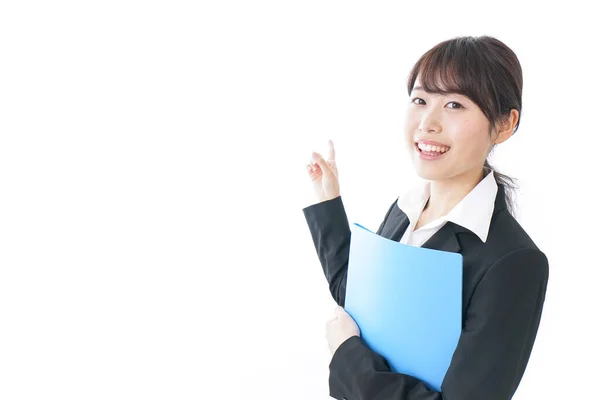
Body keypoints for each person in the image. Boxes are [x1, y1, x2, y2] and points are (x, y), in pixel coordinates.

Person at [302, 35, 549, 400]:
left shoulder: (513, 261)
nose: (428, 123)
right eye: (420, 100)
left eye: (454, 104)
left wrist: (347, 357)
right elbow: (363, 300)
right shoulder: (406, 209)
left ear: (504, 124)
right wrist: (329, 202)